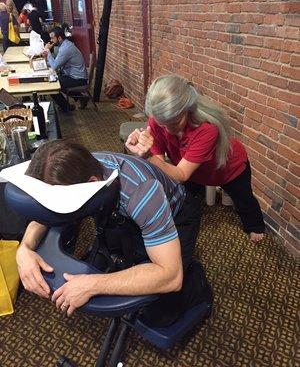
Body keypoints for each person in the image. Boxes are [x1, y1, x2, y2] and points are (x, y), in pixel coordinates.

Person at [16, 139, 211, 324]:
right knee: (101, 262)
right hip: (120, 209)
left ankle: (195, 278)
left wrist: (92, 284)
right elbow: (45, 211)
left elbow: (169, 276)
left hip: (175, 213)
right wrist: (24, 249)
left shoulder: (142, 192)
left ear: (93, 184)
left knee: (160, 315)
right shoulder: (74, 169)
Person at [126, 75, 266, 243]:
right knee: (186, 201)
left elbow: (182, 173)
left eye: (175, 122)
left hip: (228, 168)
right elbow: (160, 161)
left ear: (187, 109)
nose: (168, 130)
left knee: (244, 199)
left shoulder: (207, 129)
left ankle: (256, 226)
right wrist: (144, 147)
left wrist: (147, 155)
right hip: (192, 170)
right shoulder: (159, 118)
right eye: (163, 124)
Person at [43, 27, 89, 111]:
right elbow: (56, 62)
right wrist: (45, 63)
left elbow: (54, 66)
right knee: (56, 80)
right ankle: (81, 98)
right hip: (73, 76)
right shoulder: (65, 44)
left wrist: (47, 51)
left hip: (78, 79)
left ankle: (66, 107)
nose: (51, 40)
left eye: (52, 38)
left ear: (59, 38)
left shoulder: (65, 48)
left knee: (51, 85)